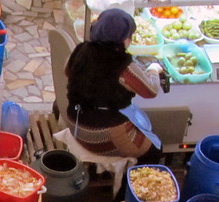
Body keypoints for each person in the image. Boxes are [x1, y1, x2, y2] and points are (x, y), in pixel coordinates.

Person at [65, 8, 163, 163]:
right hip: (103, 136)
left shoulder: (80, 50)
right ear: (124, 39)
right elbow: (151, 91)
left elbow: (68, 72)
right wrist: (154, 69)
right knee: (154, 151)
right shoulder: (124, 67)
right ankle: (129, 184)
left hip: (74, 122)